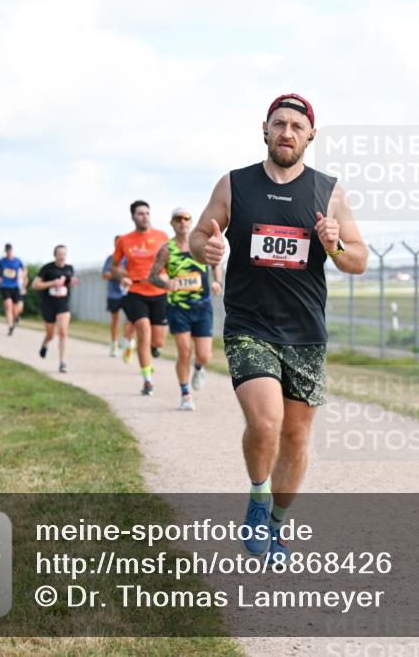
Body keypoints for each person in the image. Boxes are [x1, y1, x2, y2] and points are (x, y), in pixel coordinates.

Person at [190, 93, 367, 562]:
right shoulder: (235, 184)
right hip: (249, 325)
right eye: (279, 123)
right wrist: (205, 250)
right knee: (266, 422)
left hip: (305, 332)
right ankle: (257, 497)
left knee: (295, 436)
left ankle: (277, 526)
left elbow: (358, 259)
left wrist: (334, 245)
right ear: (265, 129)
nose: (287, 132)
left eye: (296, 126)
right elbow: (199, 235)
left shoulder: (329, 191)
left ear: (311, 136)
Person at [148, 207, 224, 411]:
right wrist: (166, 284)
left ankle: (199, 368)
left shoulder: (200, 244)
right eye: (177, 219)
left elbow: (215, 263)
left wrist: (217, 281)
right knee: (184, 351)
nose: (182, 222)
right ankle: (185, 395)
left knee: (204, 355)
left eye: (186, 218)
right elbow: (152, 276)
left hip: (202, 307)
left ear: (191, 222)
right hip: (178, 308)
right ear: (172, 223)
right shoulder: (167, 249)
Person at [112, 201, 169, 395]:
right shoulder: (124, 240)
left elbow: (170, 262)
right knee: (144, 330)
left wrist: (169, 277)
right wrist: (122, 276)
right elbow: (114, 266)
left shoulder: (162, 237)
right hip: (136, 292)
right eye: (140, 214)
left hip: (159, 292)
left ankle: (146, 350)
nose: (145, 217)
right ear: (133, 217)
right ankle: (147, 380)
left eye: (147, 213)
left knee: (158, 341)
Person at [32, 245, 77, 373]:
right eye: (60, 254)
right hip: (49, 305)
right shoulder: (47, 268)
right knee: (50, 334)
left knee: (63, 332)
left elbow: (69, 282)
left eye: (64, 254)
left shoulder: (69, 268)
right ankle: (45, 343)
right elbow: (35, 285)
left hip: (63, 304)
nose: (62, 257)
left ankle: (62, 362)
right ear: (55, 255)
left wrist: (72, 282)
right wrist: (52, 283)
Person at [102, 235, 135, 358]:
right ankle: (114, 344)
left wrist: (122, 273)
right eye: (117, 243)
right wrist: (118, 274)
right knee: (115, 320)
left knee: (133, 319)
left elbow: (135, 273)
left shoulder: (130, 258)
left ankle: (127, 340)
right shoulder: (110, 259)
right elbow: (105, 275)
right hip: (114, 294)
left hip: (128, 292)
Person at [0, 243, 27, 335]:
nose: (8, 252)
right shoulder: (1, 261)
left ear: (12, 250)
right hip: (5, 286)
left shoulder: (18, 261)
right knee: (8, 306)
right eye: (7, 251)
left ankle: (16, 318)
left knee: (17, 308)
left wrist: (21, 276)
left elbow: (25, 270)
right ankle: (10, 327)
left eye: (10, 251)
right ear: (5, 251)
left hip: (15, 286)